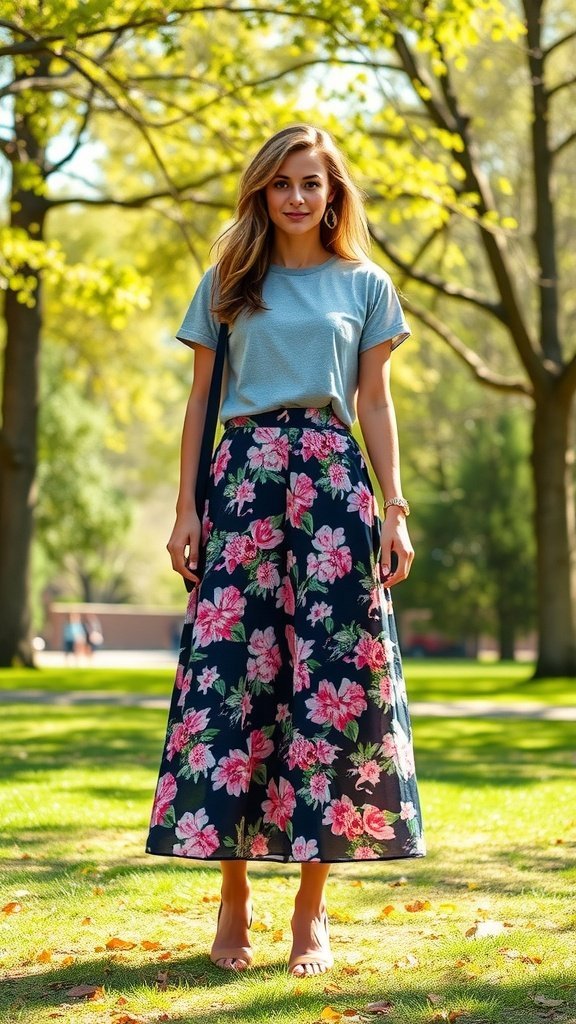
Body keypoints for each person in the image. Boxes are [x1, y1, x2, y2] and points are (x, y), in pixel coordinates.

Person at [146, 124, 425, 978]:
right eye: (282, 184)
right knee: (233, 683)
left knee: (335, 695)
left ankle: (312, 909)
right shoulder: (230, 279)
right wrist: (187, 507)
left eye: (312, 183)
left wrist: (394, 508)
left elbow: (373, 401)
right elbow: (200, 403)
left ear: (334, 193)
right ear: (262, 193)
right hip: (244, 487)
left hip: (337, 493)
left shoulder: (366, 285)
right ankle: (232, 895)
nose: (298, 197)